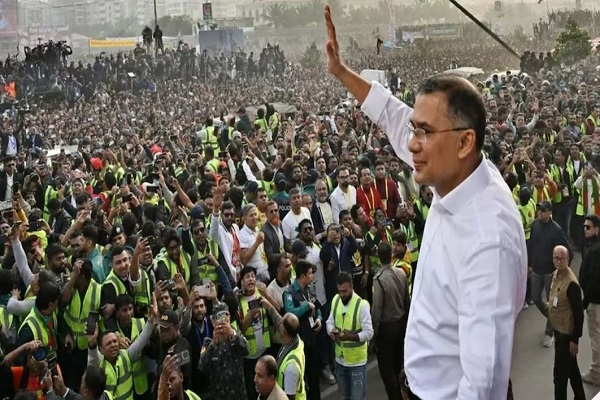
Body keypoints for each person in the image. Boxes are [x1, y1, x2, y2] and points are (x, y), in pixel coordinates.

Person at [324, 6, 527, 399]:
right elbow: (392, 115)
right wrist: (342, 72)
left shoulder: (488, 239)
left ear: (465, 141)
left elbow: (482, 385)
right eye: (414, 130)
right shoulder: (455, 172)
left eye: (425, 132)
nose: (412, 144)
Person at [325, 272, 373, 400]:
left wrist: (349, 337)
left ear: (352, 286)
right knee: (344, 396)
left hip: (357, 363)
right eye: (339, 291)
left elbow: (369, 333)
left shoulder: (361, 305)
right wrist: (331, 331)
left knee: (358, 398)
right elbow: (329, 321)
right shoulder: (336, 300)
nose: (342, 294)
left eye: (344, 291)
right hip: (340, 361)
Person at [548, 245, 585, 400]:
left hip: (566, 336)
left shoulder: (571, 284)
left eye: (562, 259)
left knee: (559, 377)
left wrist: (575, 340)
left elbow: (579, 314)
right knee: (572, 370)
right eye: (556, 258)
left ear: (568, 259)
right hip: (559, 331)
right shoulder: (556, 274)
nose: (559, 261)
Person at [579, 214, 600, 386]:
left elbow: (594, 279)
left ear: (597, 229)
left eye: (588, 227)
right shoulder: (592, 246)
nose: (585, 229)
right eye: (584, 227)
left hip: (595, 301)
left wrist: (585, 301)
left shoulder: (595, 250)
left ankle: (596, 374)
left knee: (596, 339)